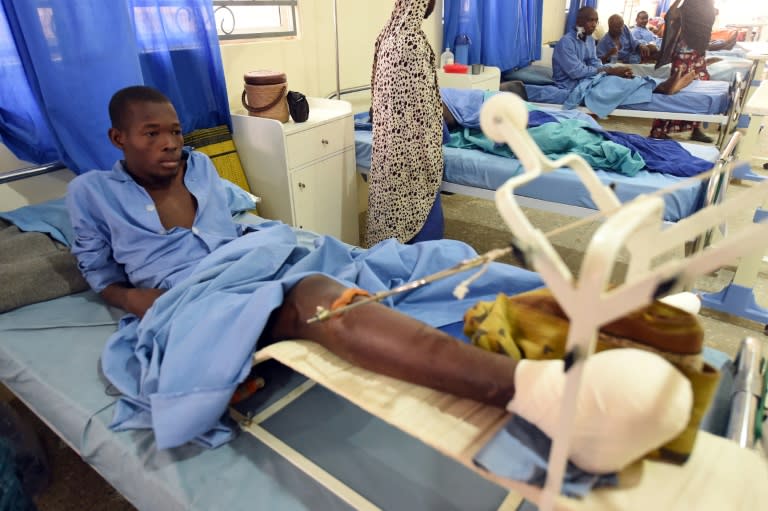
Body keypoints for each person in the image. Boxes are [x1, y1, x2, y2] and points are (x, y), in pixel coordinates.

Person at [66, 85, 697, 473]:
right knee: (323, 301)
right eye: (153, 134)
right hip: (191, 294)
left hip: (258, 254)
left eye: (175, 130)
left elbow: (246, 218)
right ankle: (546, 398)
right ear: (117, 137)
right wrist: (144, 300)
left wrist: (282, 241)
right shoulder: (91, 195)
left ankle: (606, 309)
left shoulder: (203, 168)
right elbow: (101, 279)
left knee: (418, 259)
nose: (171, 144)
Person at [365, 0, 444, 248]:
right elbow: (424, 108)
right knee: (417, 214)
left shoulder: (387, 35)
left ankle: (388, 253)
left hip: (387, 145)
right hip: (411, 153)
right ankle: (419, 259)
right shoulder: (412, 42)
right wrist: (436, 142)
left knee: (388, 210)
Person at [650, 0, 717, 142]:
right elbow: (670, 15)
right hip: (683, 53)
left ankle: (695, 129)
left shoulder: (708, 5)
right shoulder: (688, 5)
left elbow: (707, 28)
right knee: (674, 90)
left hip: (699, 53)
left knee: (699, 92)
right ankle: (658, 130)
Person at [552, 7, 635, 90]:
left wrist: (611, 71)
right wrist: (608, 71)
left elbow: (594, 62)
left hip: (587, 80)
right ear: (578, 21)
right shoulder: (566, 43)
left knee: (626, 81)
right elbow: (576, 72)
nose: (594, 24)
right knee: (618, 88)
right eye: (590, 20)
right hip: (570, 86)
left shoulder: (589, 40)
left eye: (596, 21)